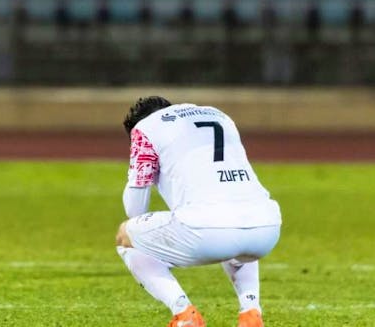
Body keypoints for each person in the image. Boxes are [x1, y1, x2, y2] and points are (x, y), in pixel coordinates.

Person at [115, 96, 282, 327]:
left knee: (126, 236)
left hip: (207, 232)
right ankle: (251, 312)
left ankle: (184, 314)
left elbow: (135, 209)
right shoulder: (218, 114)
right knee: (236, 218)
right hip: (267, 227)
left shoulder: (146, 128)